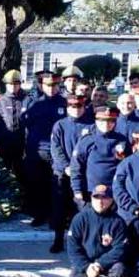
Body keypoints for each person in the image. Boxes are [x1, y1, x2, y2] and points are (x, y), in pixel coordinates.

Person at [20, 71, 67, 225]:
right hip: (36, 151)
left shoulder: (65, 103)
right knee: (37, 184)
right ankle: (39, 215)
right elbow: (24, 125)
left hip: (57, 152)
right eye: (48, 85)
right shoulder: (33, 103)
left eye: (55, 85)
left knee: (56, 186)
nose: (52, 88)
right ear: (41, 85)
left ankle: (55, 216)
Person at [49, 94, 93, 253]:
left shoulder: (91, 126)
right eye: (72, 106)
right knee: (60, 209)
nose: (76, 109)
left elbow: (91, 151)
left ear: (84, 107)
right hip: (63, 174)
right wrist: (67, 167)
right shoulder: (59, 125)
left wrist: (79, 170)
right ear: (67, 108)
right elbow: (56, 149)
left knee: (81, 210)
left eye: (79, 106)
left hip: (83, 175)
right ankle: (58, 239)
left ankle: (80, 243)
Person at [70, 107, 129, 210]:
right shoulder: (87, 141)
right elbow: (76, 167)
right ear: (96, 121)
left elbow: (128, 166)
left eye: (111, 120)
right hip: (91, 192)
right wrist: (77, 190)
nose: (106, 124)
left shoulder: (122, 141)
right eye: (102, 120)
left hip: (115, 191)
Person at [66, 184, 127, 277]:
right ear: (91, 198)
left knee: (119, 269)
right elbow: (73, 247)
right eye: (96, 197)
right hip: (85, 263)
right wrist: (86, 266)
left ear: (111, 200)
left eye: (104, 197)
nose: (100, 201)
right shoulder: (80, 218)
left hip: (107, 264)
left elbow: (120, 249)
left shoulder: (118, 222)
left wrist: (100, 264)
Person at [0, 70, 27, 176]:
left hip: (22, 144)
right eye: (10, 84)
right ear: (6, 84)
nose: (13, 86)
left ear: (20, 84)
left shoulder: (27, 100)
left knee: (22, 173)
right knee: (3, 173)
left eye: (16, 83)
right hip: (4, 144)